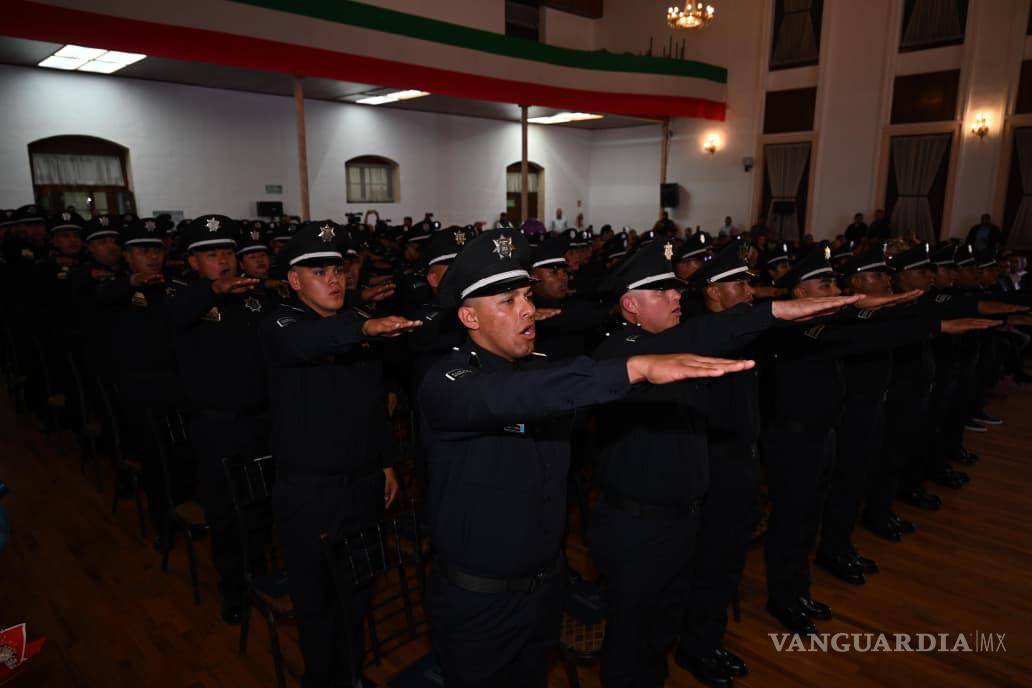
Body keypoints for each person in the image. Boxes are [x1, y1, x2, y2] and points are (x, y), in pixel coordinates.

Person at [418, 228, 755, 688]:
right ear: (468, 317)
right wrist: (634, 368)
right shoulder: (448, 380)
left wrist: (767, 315)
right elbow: (513, 396)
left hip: (544, 586)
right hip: (480, 601)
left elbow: (552, 386)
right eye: (507, 302)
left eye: (525, 296)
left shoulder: (537, 367)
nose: (528, 310)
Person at [589, 240, 859, 686]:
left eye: (675, 290)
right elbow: (692, 337)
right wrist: (772, 312)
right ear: (630, 306)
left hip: (681, 518)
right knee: (632, 638)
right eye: (662, 292)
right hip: (637, 528)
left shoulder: (669, 344)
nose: (678, 297)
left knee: (659, 631)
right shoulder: (619, 354)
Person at [260, 222, 422, 687]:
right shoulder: (281, 322)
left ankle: (348, 675)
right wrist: (365, 325)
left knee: (358, 593)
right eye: (318, 271)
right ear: (294, 281)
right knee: (317, 605)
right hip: (310, 493)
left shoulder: (354, 321)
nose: (333, 279)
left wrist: (387, 461)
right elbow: (303, 343)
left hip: (364, 484)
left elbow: (374, 405)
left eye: (337, 268)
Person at [165, 214, 273, 624]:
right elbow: (175, 317)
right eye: (212, 255)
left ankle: (260, 575)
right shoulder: (183, 298)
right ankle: (233, 589)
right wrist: (212, 289)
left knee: (261, 505)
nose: (224, 261)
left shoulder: (254, 297)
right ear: (194, 263)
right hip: (217, 427)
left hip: (260, 420)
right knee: (226, 513)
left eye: (228, 252)